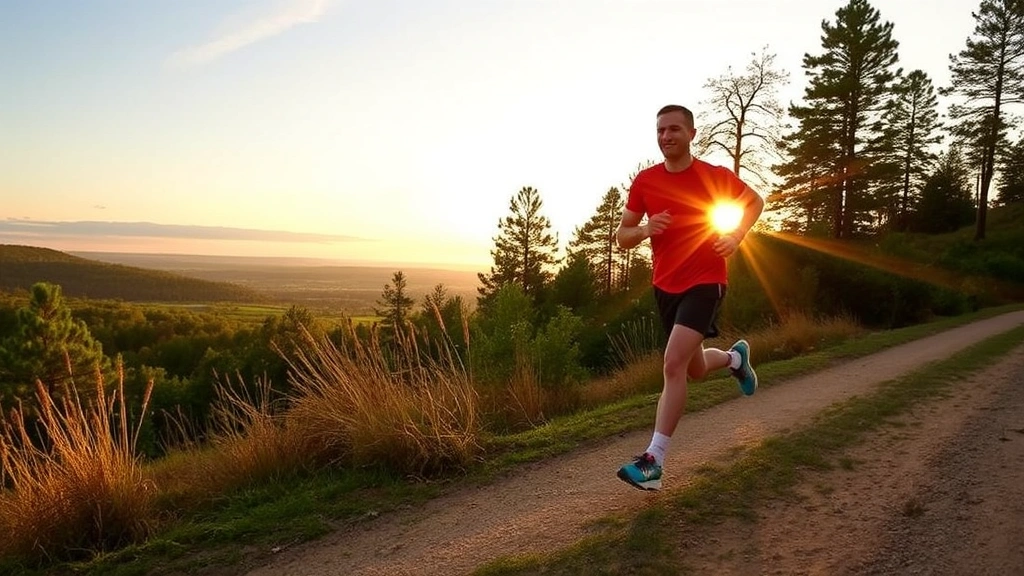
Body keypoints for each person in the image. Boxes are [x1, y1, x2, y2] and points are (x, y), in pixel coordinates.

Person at [614, 104, 765, 491]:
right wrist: (646, 229)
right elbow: (623, 236)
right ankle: (735, 359)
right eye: (661, 130)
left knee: (672, 364)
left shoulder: (713, 176)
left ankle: (654, 461)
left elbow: (754, 202)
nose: (667, 136)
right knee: (693, 369)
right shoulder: (645, 182)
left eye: (675, 129)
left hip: (706, 280)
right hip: (665, 285)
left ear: (692, 134)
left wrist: (737, 236)